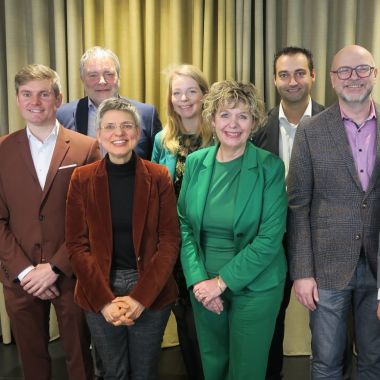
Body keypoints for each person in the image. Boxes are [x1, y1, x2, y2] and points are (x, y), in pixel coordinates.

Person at [178, 80, 288, 379]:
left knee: (246, 371)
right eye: (225, 115)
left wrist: (222, 282)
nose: (233, 124)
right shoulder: (197, 163)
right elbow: (184, 225)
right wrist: (200, 281)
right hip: (204, 287)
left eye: (243, 116)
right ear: (212, 120)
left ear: (254, 123)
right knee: (213, 366)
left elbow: (269, 238)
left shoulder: (270, 167)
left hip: (256, 286)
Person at [65, 97, 180, 379]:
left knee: (144, 372)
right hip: (99, 285)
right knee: (113, 372)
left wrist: (140, 299)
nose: (119, 133)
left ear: (137, 133)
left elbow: (169, 241)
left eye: (127, 126)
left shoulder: (159, 176)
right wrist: (105, 302)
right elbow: (77, 245)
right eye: (110, 126)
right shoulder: (82, 178)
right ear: (99, 134)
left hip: (150, 284)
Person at [0, 64, 100, 380]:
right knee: (32, 362)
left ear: (57, 99)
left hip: (71, 274)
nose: (35, 101)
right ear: (17, 99)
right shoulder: (1, 149)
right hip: (20, 276)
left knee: (79, 359)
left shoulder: (87, 148)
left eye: (44, 94)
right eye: (27, 94)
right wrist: (28, 272)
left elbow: (93, 219)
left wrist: (55, 267)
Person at [287, 44, 380, 379]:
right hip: (326, 269)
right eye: (344, 71)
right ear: (331, 78)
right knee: (326, 362)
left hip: (378, 267)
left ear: (374, 74)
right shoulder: (310, 131)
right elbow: (298, 205)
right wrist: (302, 271)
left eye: (361, 69)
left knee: (375, 360)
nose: (353, 77)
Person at [252, 46, 324, 380]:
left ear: (313, 75)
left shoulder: (335, 123)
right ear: (274, 80)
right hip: (270, 242)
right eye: (284, 74)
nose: (291, 81)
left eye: (299, 73)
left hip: (323, 243)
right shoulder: (255, 129)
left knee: (329, 328)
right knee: (267, 326)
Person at [151, 64, 212, 380]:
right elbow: (153, 192)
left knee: (212, 322)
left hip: (213, 244)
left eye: (192, 91)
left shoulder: (221, 132)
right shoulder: (162, 139)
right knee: (186, 321)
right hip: (175, 246)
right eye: (177, 92)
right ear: (170, 99)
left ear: (204, 94)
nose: (184, 99)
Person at [57, 46, 161, 159]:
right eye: (93, 75)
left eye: (109, 74)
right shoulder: (62, 116)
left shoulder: (147, 115)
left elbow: (157, 163)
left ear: (118, 76)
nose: (102, 81)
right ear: (82, 79)